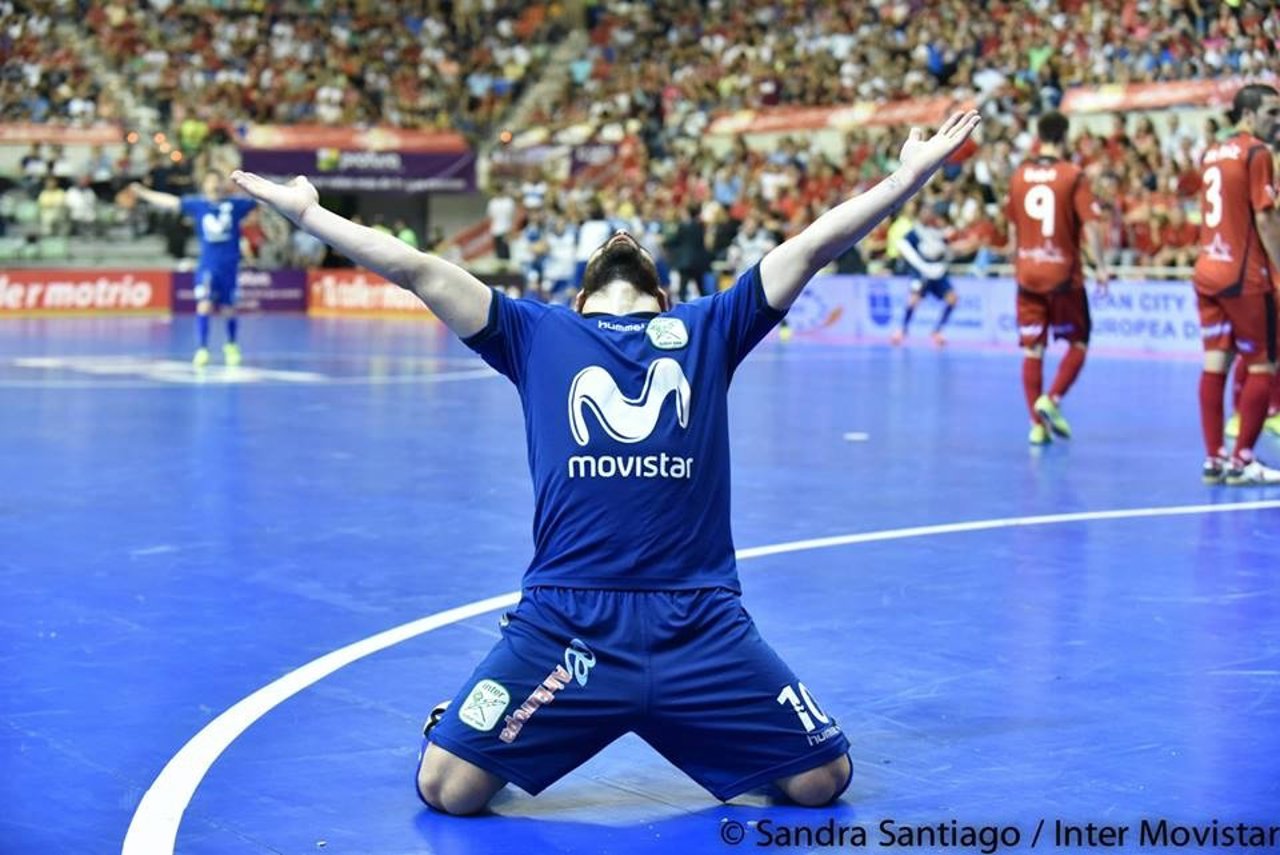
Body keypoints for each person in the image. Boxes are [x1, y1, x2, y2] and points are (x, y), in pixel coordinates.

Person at [229, 110, 981, 816]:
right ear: (583, 294)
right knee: (446, 786)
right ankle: (500, 711)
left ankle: (665, 710)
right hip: (569, 624)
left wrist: (904, 179)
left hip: (699, 618)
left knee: (823, 780)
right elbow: (418, 268)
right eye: (610, 243)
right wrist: (309, 215)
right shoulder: (532, 332)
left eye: (635, 244)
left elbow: (813, 247)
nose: (623, 234)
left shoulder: (710, 325)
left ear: (661, 291)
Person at [1006, 111, 1111, 446]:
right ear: (1064, 138)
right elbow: (1092, 225)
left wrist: (1016, 261)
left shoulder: (1020, 175)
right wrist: (1101, 266)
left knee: (1032, 350)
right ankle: (1052, 398)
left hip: (1027, 274)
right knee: (1079, 342)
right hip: (1063, 274)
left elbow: (1011, 227)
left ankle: (1036, 426)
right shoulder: (1072, 174)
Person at [1193, 84, 1280, 485]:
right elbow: (1265, 219)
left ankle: (1214, 458)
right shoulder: (1257, 152)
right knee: (1263, 363)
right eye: (1271, 112)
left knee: (1216, 363)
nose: (1277, 121)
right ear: (1247, 114)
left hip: (1207, 269)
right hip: (1243, 274)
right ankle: (1243, 460)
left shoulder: (1212, 151)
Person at [131, 170, 257, 367]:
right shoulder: (198, 205)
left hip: (229, 267)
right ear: (204, 185)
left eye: (217, 181)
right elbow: (171, 202)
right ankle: (202, 349)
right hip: (208, 265)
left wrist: (285, 191)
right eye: (210, 181)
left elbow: (262, 201)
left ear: (223, 185)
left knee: (229, 309)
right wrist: (144, 193)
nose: (214, 185)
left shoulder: (234, 205)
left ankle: (231, 345)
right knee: (204, 304)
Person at [890, 201, 958, 347]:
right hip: (921, 272)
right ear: (920, 213)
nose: (928, 214)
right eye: (925, 211)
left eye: (930, 211)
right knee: (913, 301)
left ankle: (937, 331)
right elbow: (903, 246)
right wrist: (921, 265)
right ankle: (902, 329)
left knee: (952, 299)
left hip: (937, 272)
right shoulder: (915, 232)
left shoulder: (938, 231)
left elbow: (946, 250)